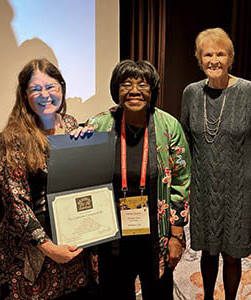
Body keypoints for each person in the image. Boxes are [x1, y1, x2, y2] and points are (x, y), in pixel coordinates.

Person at [83, 59, 191, 299]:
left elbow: (181, 183)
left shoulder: (168, 126)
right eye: (126, 84)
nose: (134, 91)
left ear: (152, 91)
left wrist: (176, 236)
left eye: (142, 85)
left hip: (155, 234)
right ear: (116, 90)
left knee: (158, 293)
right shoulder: (98, 125)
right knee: (115, 292)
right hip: (112, 236)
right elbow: (82, 173)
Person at [0, 58, 98, 300]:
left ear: (62, 88)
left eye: (51, 86)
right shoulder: (14, 138)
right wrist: (49, 248)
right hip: (33, 253)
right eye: (36, 89)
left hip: (71, 244)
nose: (45, 95)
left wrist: (90, 144)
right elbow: (16, 202)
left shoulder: (72, 125)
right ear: (24, 95)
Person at [181, 27, 251, 300]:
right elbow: (185, 140)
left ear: (230, 58)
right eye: (207, 54)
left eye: (220, 54)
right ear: (199, 59)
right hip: (203, 188)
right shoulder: (191, 93)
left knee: (232, 256)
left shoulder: (248, 92)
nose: (214, 60)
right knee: (208, 253)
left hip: (239, 191)